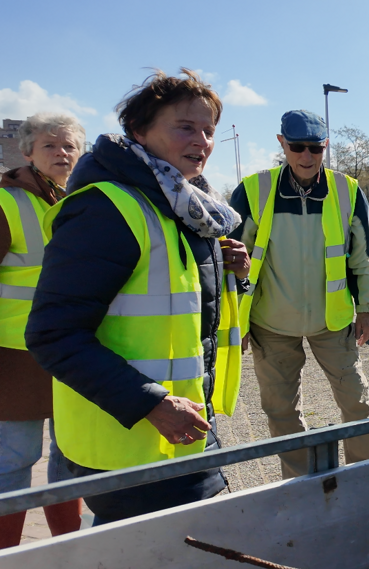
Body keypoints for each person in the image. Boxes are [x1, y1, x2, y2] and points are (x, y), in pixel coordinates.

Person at [26, 69, 247, 524]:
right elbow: (53, 333)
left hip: (177, 431)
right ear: (139, 132)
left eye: (209, 130)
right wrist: (150, 402)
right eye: (185, 126)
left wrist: (232, 278)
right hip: (129, 441)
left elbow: (179, 310)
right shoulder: (107, 206)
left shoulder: (184, 206)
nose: (202, 140)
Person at [229, 110, 369, 479]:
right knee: (279, 409)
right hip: (271, 322)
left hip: (333, 319)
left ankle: (365, 474)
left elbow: (362, 257)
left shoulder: (347, 190)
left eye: (316, 148)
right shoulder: (252, 190)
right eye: (298, 147)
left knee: (356, 402)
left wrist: (368, 307)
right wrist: (236, 320)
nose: (307, 156)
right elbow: (231, 263)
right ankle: (298, 482)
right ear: (282, 144)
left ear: (325, 146)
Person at [0, 113, 84, 547]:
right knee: (12, 462)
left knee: (70, 458)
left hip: (73, 356)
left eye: (69, 146)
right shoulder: (6, 202)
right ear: (27, 151)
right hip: (15, 361)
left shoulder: (81, 201)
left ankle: (67, 551)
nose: (62, 153)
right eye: (50, 145)